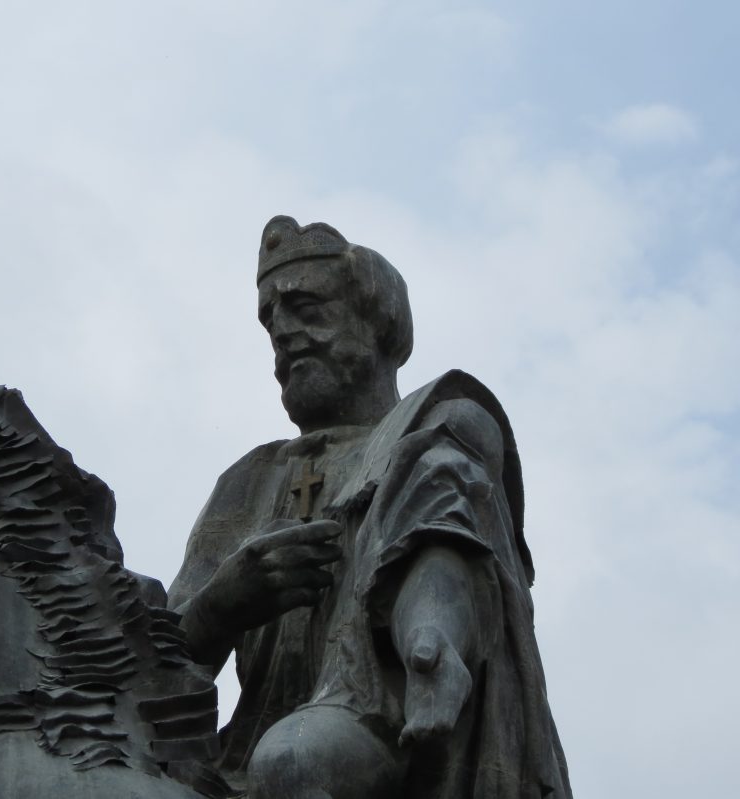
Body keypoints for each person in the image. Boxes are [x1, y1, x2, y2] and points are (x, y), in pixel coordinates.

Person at [167, 216, 571, 798]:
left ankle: (420, 661)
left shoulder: (437, 425)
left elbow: (442, 539)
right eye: (271, 322)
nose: (282, 332)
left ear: (378, 323)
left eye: (306, 309)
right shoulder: (247, 482)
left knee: (294, 761)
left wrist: (430, 643)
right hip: (241, 754)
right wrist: (222, 604)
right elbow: (152, 658)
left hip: (387, 727)